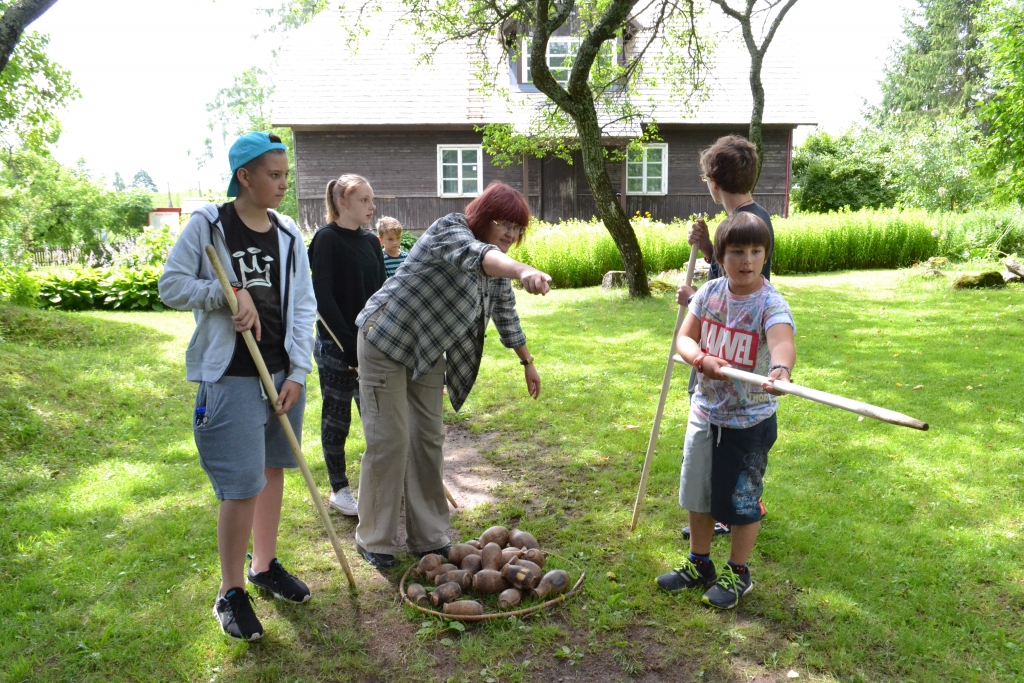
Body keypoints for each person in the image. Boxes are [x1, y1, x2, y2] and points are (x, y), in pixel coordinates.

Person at [158, 132, 318, 641]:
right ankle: (231, 591)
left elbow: (303, 306)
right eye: (273, 175)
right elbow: (171, 285)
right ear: (244, 176)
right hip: (231, 377)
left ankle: (264, 566)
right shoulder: (209, 224)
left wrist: (297, 372)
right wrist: (227, 294)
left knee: (274, 471)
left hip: (280, 373)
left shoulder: (289, 232)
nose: (282, 184)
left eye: (286, 175)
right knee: (240, 485)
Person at [352, 182, 551, 569]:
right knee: (390, 440)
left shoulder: (497, 266)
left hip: (427, 351)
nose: (510, 234)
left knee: (428, 440)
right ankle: (374, 538)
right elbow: (478, 255)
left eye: (517, 228)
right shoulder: (451, 229)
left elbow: (505, 312)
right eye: (503, 224)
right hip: (385, 339)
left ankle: (428, 537)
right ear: (482, 217)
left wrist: (527, 361)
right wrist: (522, 269)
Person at [656, 212, 796, 609]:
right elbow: (685, 338)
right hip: (705, 412)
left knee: (742, 501)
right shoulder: (710, 293)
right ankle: (699, 564)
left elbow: (781, 340)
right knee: (697, 494)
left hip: (749, 421)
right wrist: (700, 359)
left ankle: (738, 572)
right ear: (720, 255)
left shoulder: (770, 302)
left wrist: (780, 369)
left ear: (765, 255)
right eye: (737, 252)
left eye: (756, 251)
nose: (747, 260)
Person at [677, 134, 776, 540]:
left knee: (736, 445)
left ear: (713, 184)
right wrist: (706, 253)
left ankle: (735, 505)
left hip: (738, 350)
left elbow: (748, 287)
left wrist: (696, 295)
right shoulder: (748, 217)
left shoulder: (755, 220)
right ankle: (720, 506)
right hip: (713, 348)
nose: (748, 256)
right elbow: (726, 275)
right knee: (709, 423)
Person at [308, 175, 386, 516]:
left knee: (379, 418)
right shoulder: (325, 240)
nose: (372, 206)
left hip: (372, 345)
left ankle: (383, 483)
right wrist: (348, 346)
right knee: (338, 417)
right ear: (343, 202)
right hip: (337, 346)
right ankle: (339, 488)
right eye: (364, 200)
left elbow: (383, 292)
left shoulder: (371, 243)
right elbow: (322, 299)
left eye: (371, 199)